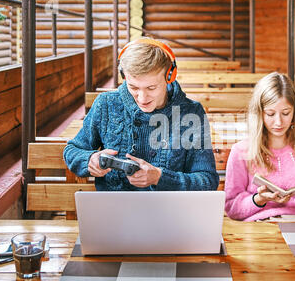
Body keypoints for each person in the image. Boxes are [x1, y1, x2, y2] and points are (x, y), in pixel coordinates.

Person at [63, 37, 219, 191]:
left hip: (170, 212)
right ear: (124, 76)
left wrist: (159, 177)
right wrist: (89, 160)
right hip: (114, 211)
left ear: (169, 77)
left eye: (151, 88)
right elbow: (72, 150)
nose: (142, 98)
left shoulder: (191, 112)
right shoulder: (106, 104)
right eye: (134, 88)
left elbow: (207, 180)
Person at [224, 72, 295, 221]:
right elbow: (232, 208)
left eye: (286, 113)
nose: (278, 122)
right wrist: (258, 200)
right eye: (270, 114)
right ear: (259, 114)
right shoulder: (242, 151)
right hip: (261, 226)